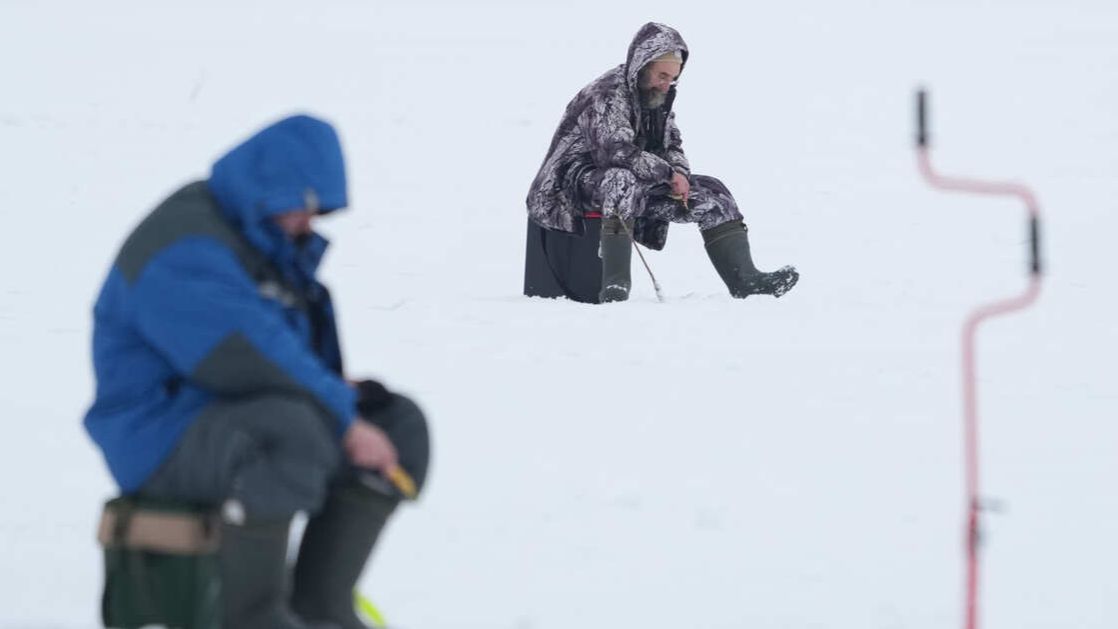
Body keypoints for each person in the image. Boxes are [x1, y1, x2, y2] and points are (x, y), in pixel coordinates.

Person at [82, 114, 430, 629]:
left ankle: (320, 609)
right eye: (305, 208)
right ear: (271, 189)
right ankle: (255, 617)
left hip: (229, 412)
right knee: (288, 436)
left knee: (397, 424)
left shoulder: (256, 240)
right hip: (156, 433)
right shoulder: (185, 246)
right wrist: (341, 419)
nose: (309, 225)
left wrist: (342, 399)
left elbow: (280, 346)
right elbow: (248, 352)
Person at [527, 22, 799, 302]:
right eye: (662, 75)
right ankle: (615, 286)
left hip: (634, 183)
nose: (666, 84)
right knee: (620, 178)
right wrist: (668, 174)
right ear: (641, 65)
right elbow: (615, 151)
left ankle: (746, 281)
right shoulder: (606, 94)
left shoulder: (657, 96)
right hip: (569, 189)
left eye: (673, 78)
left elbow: (672, 144)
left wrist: (680, 172)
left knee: (713, 193)